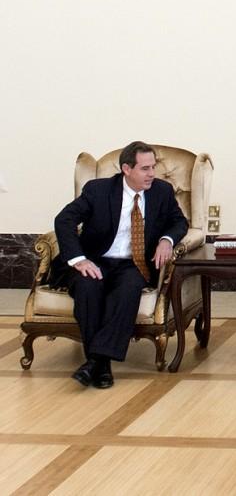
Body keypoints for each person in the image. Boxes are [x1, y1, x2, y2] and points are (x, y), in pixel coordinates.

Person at [52, 141, 188, 388]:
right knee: (87, 288)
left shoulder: (162, 191)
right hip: (96, 260)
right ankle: (101, 365)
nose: (151, 174)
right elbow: (64, 220)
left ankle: (95, 362)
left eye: (153, 167)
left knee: (127, 291)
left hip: (133, 263)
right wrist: (79, 259)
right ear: (127, 169)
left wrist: (167, 240)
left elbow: (179, 222)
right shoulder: (98, 190)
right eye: (145, 169)